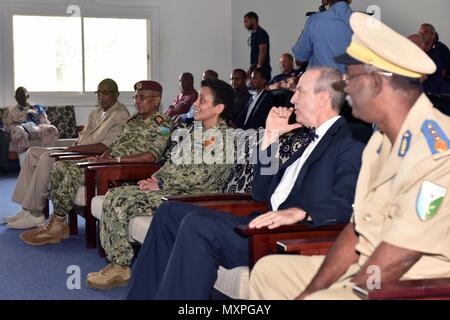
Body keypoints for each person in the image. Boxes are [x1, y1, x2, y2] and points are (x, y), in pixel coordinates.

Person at [249, 12, 449, 300]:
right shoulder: (379, 141)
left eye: (351, 78)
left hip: (409, 279)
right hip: (359, 260)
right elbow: (359, 226)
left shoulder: (436, 151)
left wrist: (346, 289)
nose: (344, 88)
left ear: (377, 83)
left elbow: (402, 251)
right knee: (269, 272)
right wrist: (310, 291)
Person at [124, 66, 367, 300]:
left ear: (323, 98)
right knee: (168, 211)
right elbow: (262, 193)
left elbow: (348, 200)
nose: (292, 99)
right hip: (261, 220)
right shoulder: (304, 139)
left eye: (300, 92)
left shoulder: (351, 139)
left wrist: (302, 213)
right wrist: (270, 138)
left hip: (291, 234)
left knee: (197, 224)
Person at [86, 78, 240, 290]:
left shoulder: (225, 138)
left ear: (219, 108)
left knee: (121, 200)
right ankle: (119, 264)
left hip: (194, 198)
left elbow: (201, 176)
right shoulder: (197, 131)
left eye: (202, 100)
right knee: (116, 194)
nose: (195, 104)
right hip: (172, 189)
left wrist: (162, 183)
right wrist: (157, 178)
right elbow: (172, 161)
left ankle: (120, 265)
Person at [19, 81, 173, 245]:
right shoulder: (133, 121)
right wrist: (102, 158)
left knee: (72, 171)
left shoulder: (161, 122)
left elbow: (151, 157)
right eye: (136, 96)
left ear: (156, 100)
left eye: (142, 97)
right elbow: (115, 145)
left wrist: (115, 161)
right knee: (60, 166)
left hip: (124, 170)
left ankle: (56, 225)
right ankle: (59, 222)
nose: (137, 101)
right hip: (108, 163)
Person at [2, 79, 130, 229]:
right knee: (33, 152)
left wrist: (73, 150)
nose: (101, 96)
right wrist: (72, 146)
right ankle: (26, 210)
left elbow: (105, 146)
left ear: (117, 94)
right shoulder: (96, 112)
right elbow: (82, 137)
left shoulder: (120, 114)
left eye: (106, 92)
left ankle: (36, 214)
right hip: (78, 148)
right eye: (99, 93)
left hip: (87, 156)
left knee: (45, 158)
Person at [292, 0, 353, 73]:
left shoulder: (314, 21)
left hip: (323, 82)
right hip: (355, 82)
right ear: (350, 0)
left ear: (325, 1)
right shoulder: (364, 22)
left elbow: (299, 60)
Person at [2, 87, 58, 165]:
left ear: (28, 96)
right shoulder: (11, 110)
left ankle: (48, 161)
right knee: (18, 130)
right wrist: (21, 124)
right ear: (15, 98)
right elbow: (7, 127)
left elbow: (45, 122)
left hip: (36, 129)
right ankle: (25, 166)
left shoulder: (36, 108)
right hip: (20, 131)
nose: (20, 98)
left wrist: (36, 126)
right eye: (18, 96)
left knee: (51, 129)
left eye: (23, 96)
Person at [419, 23, 450, 94]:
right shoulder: (418, 50)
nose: (422, 34)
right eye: (420, 32)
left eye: (425, 31)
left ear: (433, 35)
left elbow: (442, 73)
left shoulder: (441, 49)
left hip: (436, 91)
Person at [244, 12, 271, 80]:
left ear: (253, 20)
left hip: (262, 71)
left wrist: (258, 68)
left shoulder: (261, 33)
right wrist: (251, 70)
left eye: (246, 21)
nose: (245, 24)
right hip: (256, 70)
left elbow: (263, 50)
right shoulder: (254, 34)